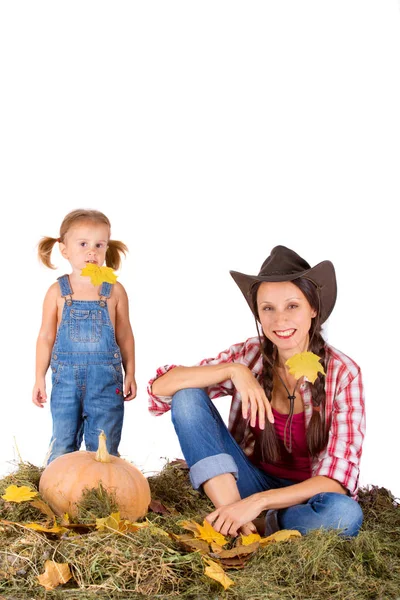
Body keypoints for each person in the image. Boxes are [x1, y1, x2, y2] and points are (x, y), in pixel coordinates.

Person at [148, 246, 365, 537]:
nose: (279, 321)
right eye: (268, 308)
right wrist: (233, 371)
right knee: (188, 396)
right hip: (246, 482)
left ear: (313, 308)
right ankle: (239, 526)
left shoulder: (343, 372)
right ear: (258, 313)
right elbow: (160, 389)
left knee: (343, 514)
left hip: (307, 497)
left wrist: (258, 502)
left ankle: (256, 521)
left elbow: (337, 481)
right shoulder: (249, 355)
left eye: (292, 306)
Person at [32, 209, 136, 463]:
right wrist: (39, 377)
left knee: (104, 447)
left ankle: (104, 497)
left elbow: (124, 334)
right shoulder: (57, 291)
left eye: (99, 245)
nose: (92, 251)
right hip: (65, 382)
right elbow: (46, 336)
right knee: (62, 443)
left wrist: (130, 371)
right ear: (64, 249)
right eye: (83, 244)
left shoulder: (114, 290)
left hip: (106, 381)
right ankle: (55, 493)